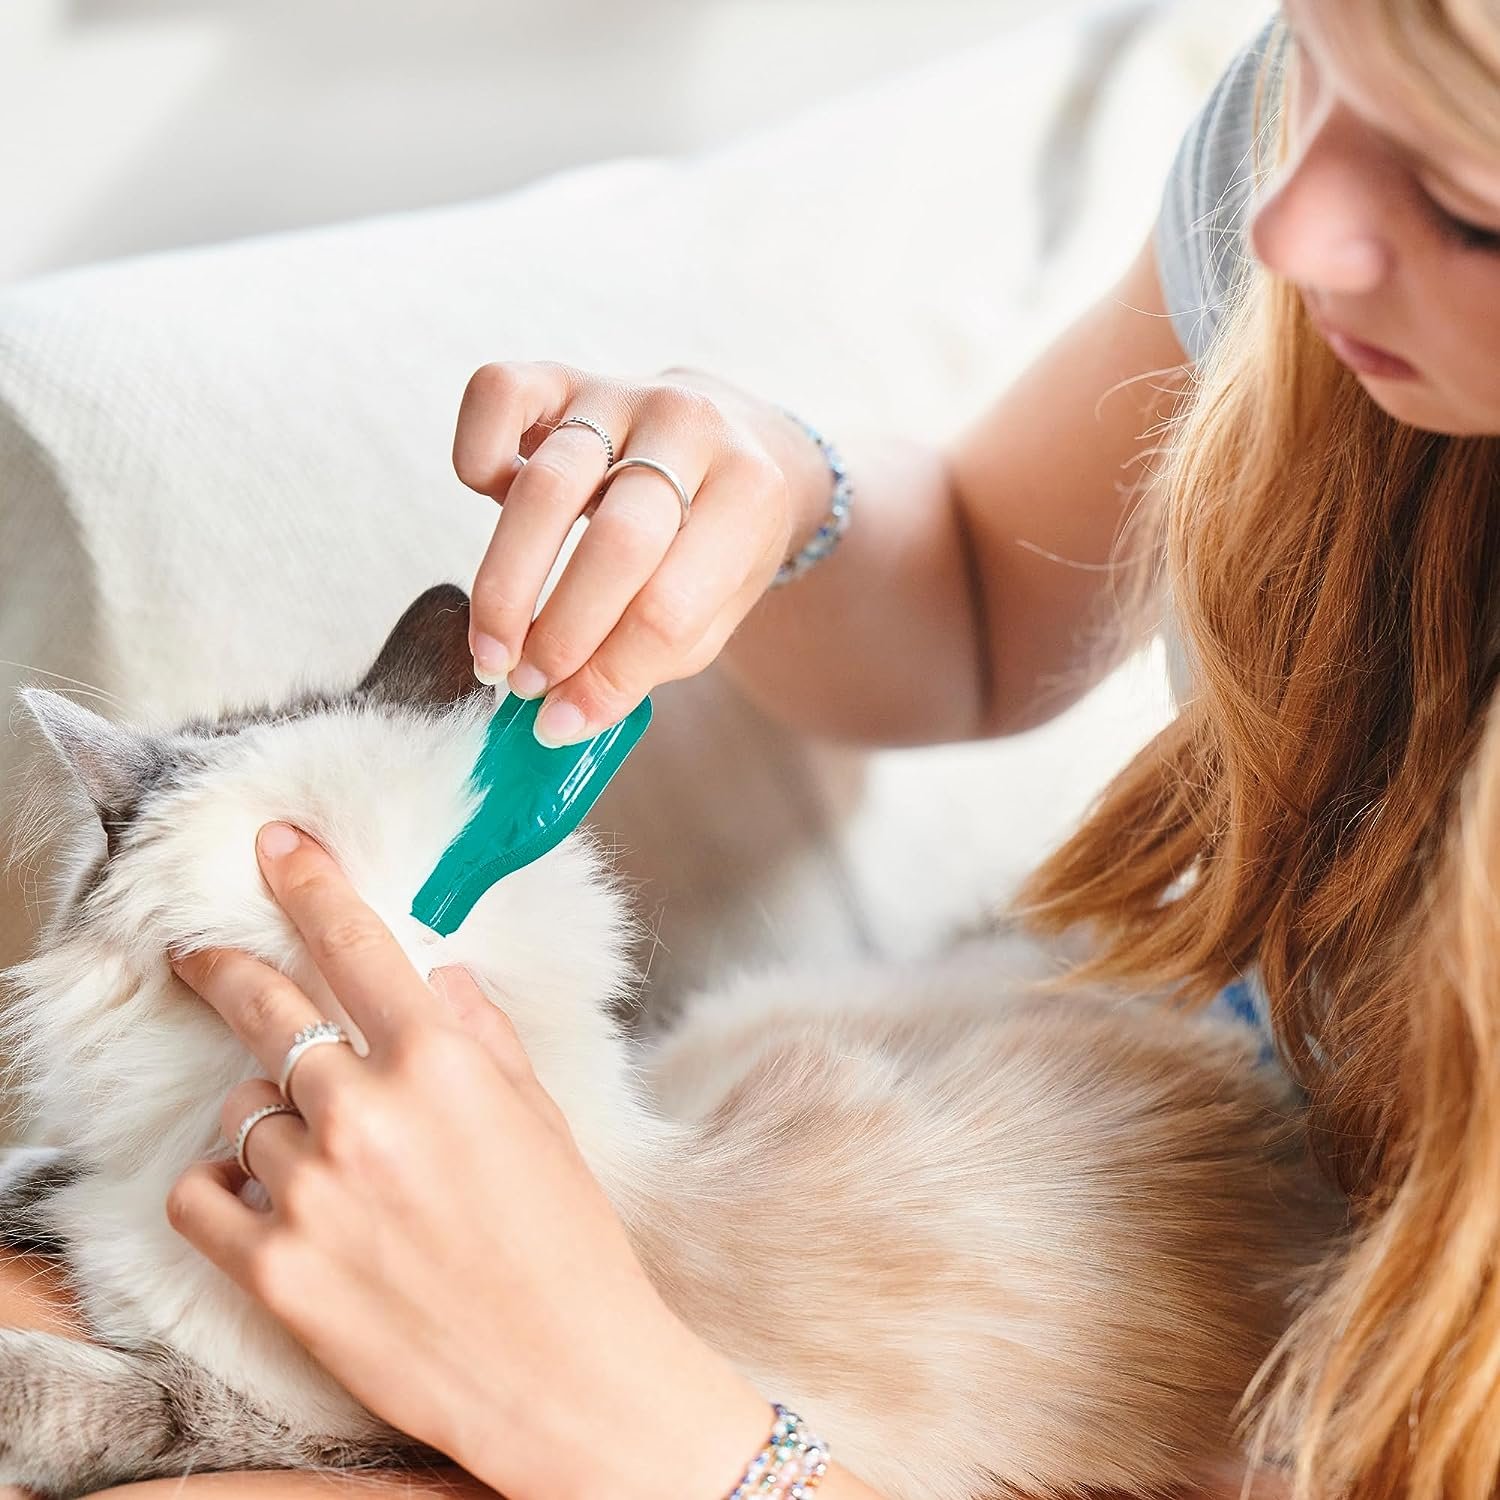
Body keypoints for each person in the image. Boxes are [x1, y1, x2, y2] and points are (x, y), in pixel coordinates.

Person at [4, 1, 1498, 1496]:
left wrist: (596, 1391)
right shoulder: (1322, 138)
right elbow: (984, 598)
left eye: (1461, 207)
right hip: (1111, 1103)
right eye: (1313, 63)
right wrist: (776, 487)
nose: (1285, 229)